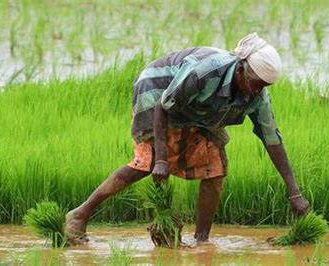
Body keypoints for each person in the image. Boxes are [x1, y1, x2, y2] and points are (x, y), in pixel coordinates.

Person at [65, 33, 310, 245]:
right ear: (240, 69)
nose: (257, 91)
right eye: (255, 84)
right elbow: (163, 107)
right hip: (157, 91)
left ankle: (202, 240)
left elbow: (272, 139)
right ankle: (79, 214)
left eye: (264, 86)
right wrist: (162, 160)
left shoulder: (258, 97)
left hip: (200, 110)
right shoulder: (205, 71)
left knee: (215, 167)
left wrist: (294, 192)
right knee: (148, 162)